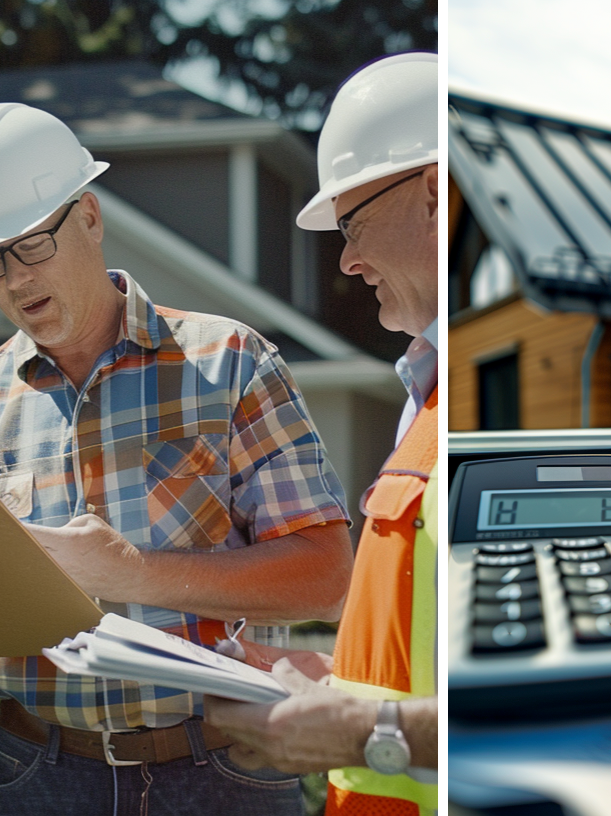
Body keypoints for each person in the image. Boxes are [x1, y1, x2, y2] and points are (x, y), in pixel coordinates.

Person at [0, 101, 353, 815]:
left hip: (224, 767)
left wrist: (131, 573)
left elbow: (327, 577)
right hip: (38, 774)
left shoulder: (230, 362)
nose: (13, 279)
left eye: (30, 245)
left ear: (89, 218)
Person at [205, 51, 439, 816]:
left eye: (352, 221)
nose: (346, 258)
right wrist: (332, 677)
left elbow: (575, 699)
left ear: (437, 191)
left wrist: (365, 730)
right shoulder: (426, 401)